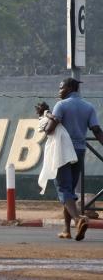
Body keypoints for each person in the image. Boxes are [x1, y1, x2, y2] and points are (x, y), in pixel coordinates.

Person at [45, 78, 103, 241]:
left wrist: (47, 114)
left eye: (61, 87)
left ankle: (78, 220)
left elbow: (49, 130)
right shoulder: (89, 107)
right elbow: (97, 130)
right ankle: (66, 230)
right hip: (79, 151)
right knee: (69, 189)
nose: (59, 91)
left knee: (64, 189)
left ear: (70, 87)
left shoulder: (61, 105)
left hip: (63, 151)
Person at [35, 102, 77, 195]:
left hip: (59, 139)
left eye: (38, 107)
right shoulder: (42, 116)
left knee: (62, 182)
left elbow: (53, 119)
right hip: (54, 140)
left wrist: (52, 119)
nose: (37, 109)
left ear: (43, 108)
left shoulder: (47, 112)